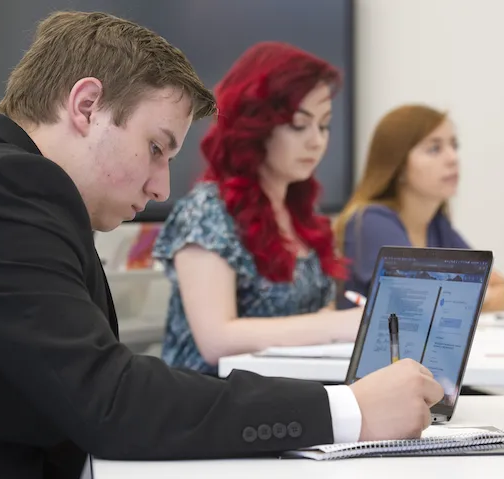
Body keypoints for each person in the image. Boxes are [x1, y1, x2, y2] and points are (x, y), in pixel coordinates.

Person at [0, 12, 444, 479]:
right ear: (86, 105)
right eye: (156, 148)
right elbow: (110, 400)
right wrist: (349, 410)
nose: (162, 188)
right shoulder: (2, 186)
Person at [152, 42, 361, 373]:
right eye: (298, 124)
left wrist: (337, 322)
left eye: (323, 125)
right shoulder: (207, 210)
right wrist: (340, 324)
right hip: (212, 407)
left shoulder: (299, 212)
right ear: (256, 123)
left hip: (292, 398)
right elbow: (216, 339)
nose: (316, 141)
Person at [334, 104, 504, 311]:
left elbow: (503, 287)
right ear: (398, 166)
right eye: (434, 149)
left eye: (454, 145)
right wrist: (472, 298)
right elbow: (420, 307)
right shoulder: (371, 221)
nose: (452, 158)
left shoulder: (437, 225)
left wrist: (469, 299)